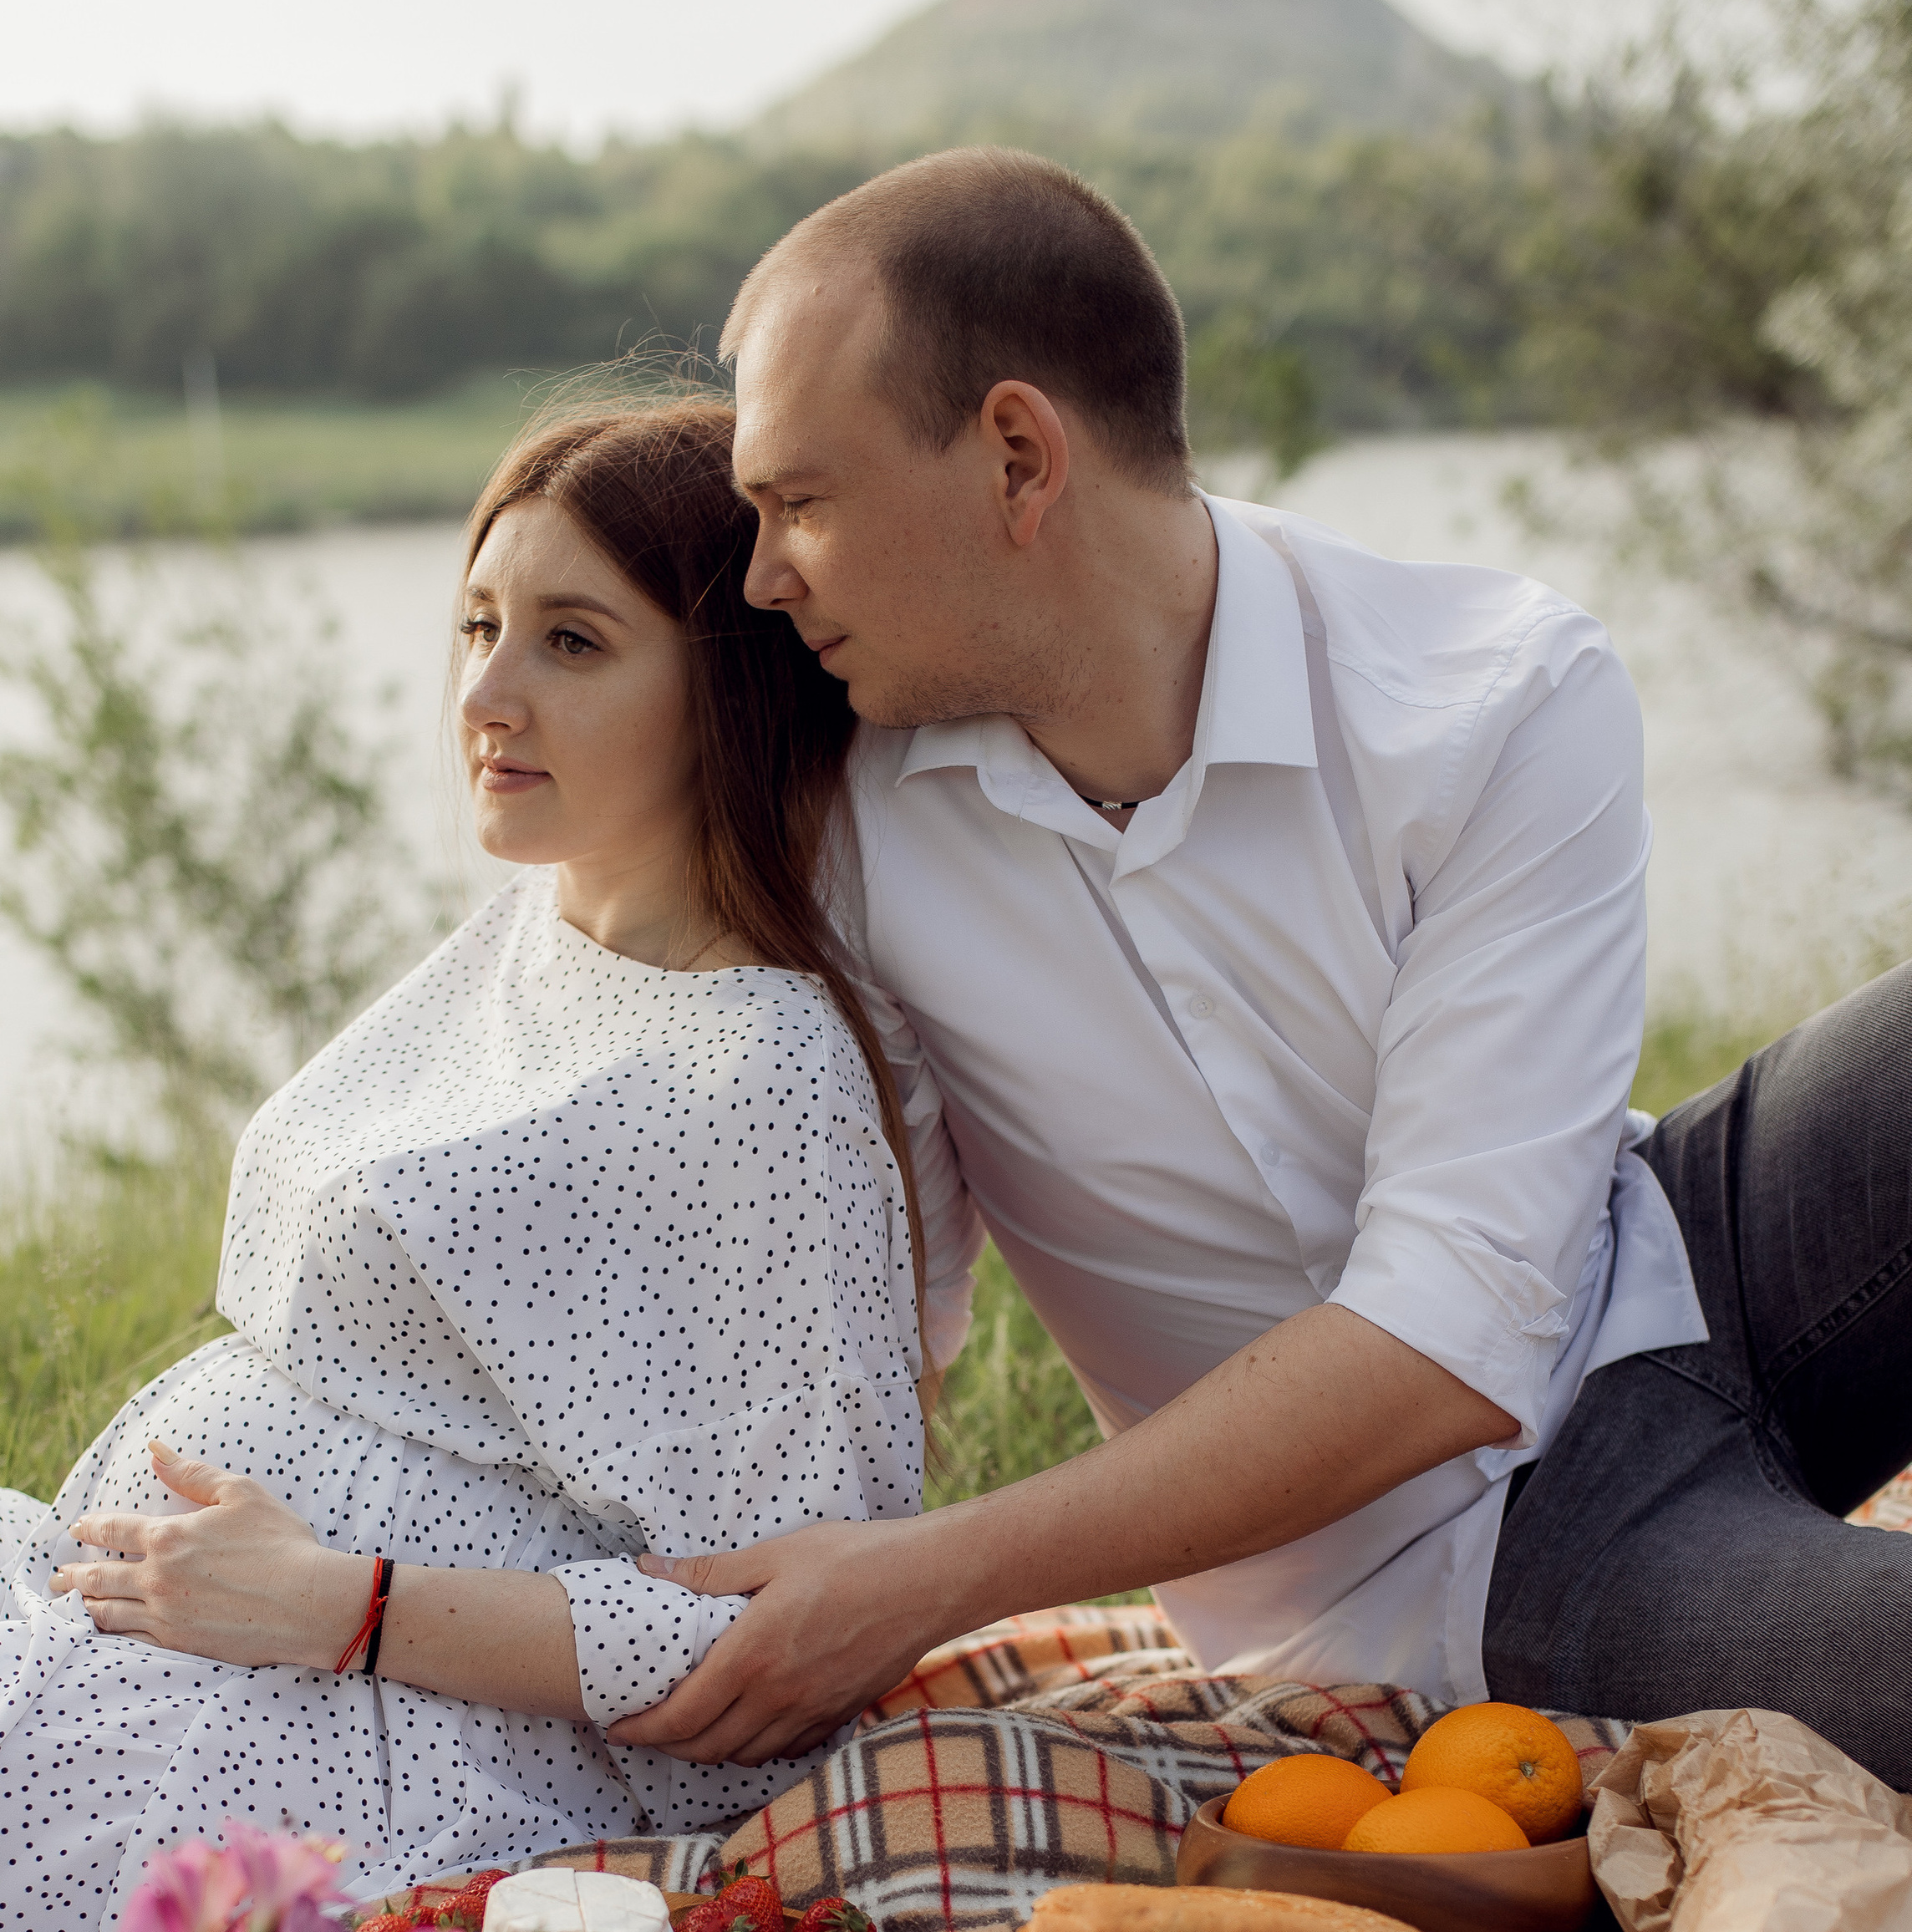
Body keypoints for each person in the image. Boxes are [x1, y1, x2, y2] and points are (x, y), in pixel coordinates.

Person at [611, 147, 1912, 1788]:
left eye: (800, 502)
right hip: (1467, 1566)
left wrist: (933, 1579)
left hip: (1667, 1249)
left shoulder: (1489, 691)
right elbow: (866, 1321)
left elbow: (1453, 1312)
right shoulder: (846, 839)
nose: (763, 574)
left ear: (1016, 457)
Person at [0, 402, 938, 1932]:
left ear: (730, 685)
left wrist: (350, 1610)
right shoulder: (533, 927)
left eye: (571, 641)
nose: (484, 697)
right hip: (130, 1603)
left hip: (376, 1745)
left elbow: (776, 1658)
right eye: (477, 627)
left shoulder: (756, 1084)